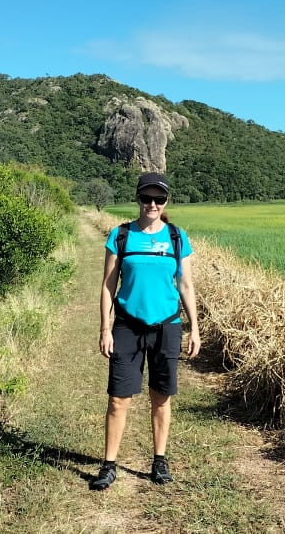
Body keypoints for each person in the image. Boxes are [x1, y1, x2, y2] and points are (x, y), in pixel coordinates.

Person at [91, 172, 201, 491]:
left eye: (159, 199)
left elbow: (186, 284)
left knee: (161, 398)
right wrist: (105, 328)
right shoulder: (121, 236)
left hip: (167, 325)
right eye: (146, 198)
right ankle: (109, 465)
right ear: (138, 199)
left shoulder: (177, 237)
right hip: (127, 325)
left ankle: (159, 461)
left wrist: (194, 328)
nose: (152, 204)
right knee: (118, 399)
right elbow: (108, 285)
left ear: (166, 201)